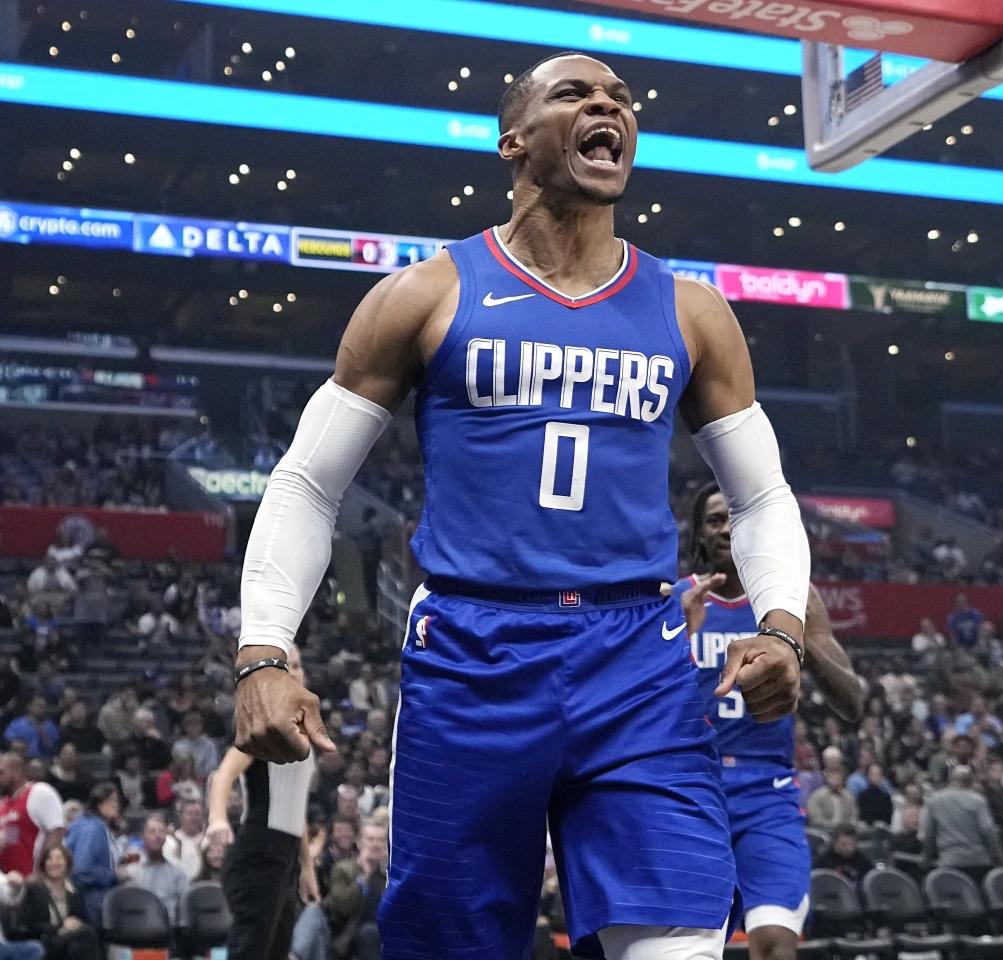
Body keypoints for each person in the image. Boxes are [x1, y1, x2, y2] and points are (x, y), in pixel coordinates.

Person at [231, 50, 810, 960]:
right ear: (514, 140)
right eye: (576, 93)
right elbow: (309, 480)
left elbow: (764, 495)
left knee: (681, 942)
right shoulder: (428, 293)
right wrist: (263, 649)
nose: (608, 106)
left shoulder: (692, 310)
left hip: (638, 658)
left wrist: (782, 626)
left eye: (621, 98)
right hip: (474, 651)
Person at [676, 483, 864, 960]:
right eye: (715, 520)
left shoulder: (795, 597)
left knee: (776, 942)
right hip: (692, 784)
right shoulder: (677, 598)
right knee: (690, 945)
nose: (727, 528)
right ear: (700, 535)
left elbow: (854, 703)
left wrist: (797, 640)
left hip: (767, 789)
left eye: (735, 516)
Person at [207, 650, 317, 960]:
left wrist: (306, 867)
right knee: (252, 951)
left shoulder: (305, 730)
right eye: (286, 666)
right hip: (258, 852)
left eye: (298, 664)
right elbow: (224, 773)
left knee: (277, 951)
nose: (294, 672)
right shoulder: (262, 725)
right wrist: (217, 818)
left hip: (286, 856)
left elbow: (297, 806)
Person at [16, 844, 102, 960]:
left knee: (78, 944)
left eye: (59, 858)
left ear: (67, 863)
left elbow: (82, 919)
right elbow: (29, 925)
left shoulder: (75, 889)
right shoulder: (34, 889)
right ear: (44, 864)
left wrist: (73, 927)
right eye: (49, 859)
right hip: (44, 940)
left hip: (72, 940)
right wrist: (60, 926)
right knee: (87, 934)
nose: (54, 863)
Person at [923, 765, 1001, 886]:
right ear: (971, 781)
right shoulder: (978, 800)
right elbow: (988, 830)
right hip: (979, 862)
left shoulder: (934, 800)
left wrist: (926, 859)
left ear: (951, 780)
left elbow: (929, 833)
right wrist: (998, 859)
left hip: (950, 862)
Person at [324, 821, 388, 960]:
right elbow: (343, 907)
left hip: (386, 933)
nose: (376, 844)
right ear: (359, 843)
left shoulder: (390, 875)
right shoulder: (343, 869)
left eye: (381, 840)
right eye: (370, 839)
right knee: (370, 933)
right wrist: (365, 876)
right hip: (351, 933)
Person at [61, 785, 119, 927]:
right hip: (91, 901)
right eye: (113, 800)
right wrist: (115, 875)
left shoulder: (86, 824)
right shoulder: (92, 827)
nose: (116, 805)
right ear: (100, 802)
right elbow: (82, 870)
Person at [0, 755, 64, 878]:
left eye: (1, 772)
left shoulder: (39, 792)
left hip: (34, 880)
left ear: (17, 772)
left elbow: (57, 831)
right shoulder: (4, 805)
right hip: (11, 883)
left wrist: (41, 873)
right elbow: (14, 839)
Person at [129, 813, 188, 924]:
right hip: (137, 929)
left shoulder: (177, 869)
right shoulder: (131, 866)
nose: (157, 835)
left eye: (161, 831)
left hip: (169, 930)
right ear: (142, 836)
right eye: (152, 831)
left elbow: (185, 905)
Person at [161, 798, 205, 880]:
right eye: (189, 814)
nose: (194, 817)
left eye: (197, 813)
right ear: (180, 817)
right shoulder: (171, 840)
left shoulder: (207, 839)